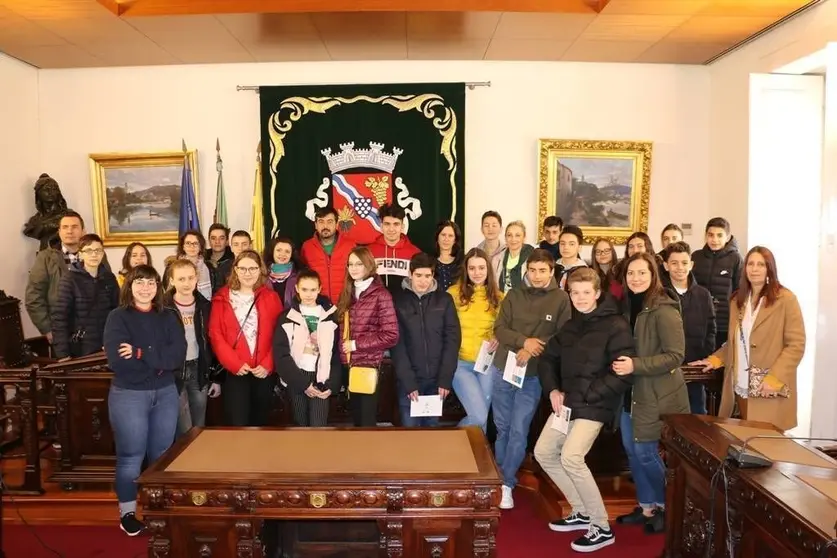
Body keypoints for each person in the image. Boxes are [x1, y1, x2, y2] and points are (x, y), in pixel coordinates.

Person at [535, 267, 634, 553]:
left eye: (585, 293)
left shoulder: (616, 325)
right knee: (543, 452)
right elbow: (547, 360)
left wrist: (590, 394)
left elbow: (622, 373)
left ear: (598, 293)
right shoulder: (570, 325)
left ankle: (601, 527)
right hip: (567, 404)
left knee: (572, 456)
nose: (580, 298)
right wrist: (553, 389)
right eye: (574, 293)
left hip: (595, 405)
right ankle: (581, 510)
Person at [103, 265, 185, 536]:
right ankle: (128, 512)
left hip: (165, 393)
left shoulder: (169, 316)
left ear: (159, 287)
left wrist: (139, 352)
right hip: (129, 394)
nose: (146, 288)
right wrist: (157, 359)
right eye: (140, 282)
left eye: (151, 283)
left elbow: (177, 358)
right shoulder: (118, 317)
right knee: (131, 456)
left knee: (162, 456)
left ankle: (157, 509)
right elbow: (118, 361)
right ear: (130, 285)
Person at [613, 252, 688, 534]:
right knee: (632, 452)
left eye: (642, 272)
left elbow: (675, 355)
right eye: (631, 273)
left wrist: (636, 364)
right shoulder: (624, 306)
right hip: (629, 391)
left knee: (645, 451)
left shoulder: (664, 308)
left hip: (656, 392)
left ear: (653, 274)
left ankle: (668, 505)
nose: (636, 278)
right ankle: (646, 506)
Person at [692, 246, 805, 432]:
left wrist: (775, 378)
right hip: (741, 385)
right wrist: (714, 360)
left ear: (770, 268)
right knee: (745, 448)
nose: (754, 269)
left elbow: (796, 345)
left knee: (770, 449)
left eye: (761, 264)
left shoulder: (786, 299)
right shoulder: (738, 300)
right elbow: (735, 342)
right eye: (750, 264)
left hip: (768, 387)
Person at [491, 249, 572, 509]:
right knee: (502, 428)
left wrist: (534, 347)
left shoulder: (561, 298)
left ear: (552, 272)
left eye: (543, 271)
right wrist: (522, 341)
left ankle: (506, 484)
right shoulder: (514, 295)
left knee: (519, 429)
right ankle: (501, 478)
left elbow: (562, 336)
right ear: (527, 270)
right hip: (505, 368)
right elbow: (500, 329)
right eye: (533, 270)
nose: (537, 276)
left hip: (534, 374)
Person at [208, 250, 283, 426]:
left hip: (263, 371)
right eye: (242, 269)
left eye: (252, 268)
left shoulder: (271, 297)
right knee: (237, 423)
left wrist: (268, 363)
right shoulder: (222, 297)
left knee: (261, 422)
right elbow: (216, 334)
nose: (247, 273)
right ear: (235, 269)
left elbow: (280, 334)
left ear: (260, 270)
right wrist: (233, 363)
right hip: (236, 370)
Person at [392, 253, 461, 427]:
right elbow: (397, 346)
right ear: (410, 274)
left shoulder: (445, 300)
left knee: (432, 433)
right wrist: (409, 382)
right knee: (410, 432)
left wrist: (445, 379)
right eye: (419, 276)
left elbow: (452, 341)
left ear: (433, 275)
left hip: (436, 382)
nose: (423, 281)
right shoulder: (398, 301)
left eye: (428, 276)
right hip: (410, 382)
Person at [337, 247, 399, 427]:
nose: (354, 268)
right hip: (348, 364)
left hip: (368, 366)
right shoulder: (348, 292)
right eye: (350, 264)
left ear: (369, 265)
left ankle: (369, 455)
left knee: (366, 422)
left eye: (359, 264)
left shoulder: (381, 295)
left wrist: (356, 345)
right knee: (355, 419)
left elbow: (391, 335)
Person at [274, 269, 341, 427]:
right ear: (296, 288)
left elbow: (336, 354)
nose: (309, 294)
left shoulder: (331, 316)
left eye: (313, 290)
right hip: (296, 376)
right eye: (304, 289)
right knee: (299, 425)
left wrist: (332, 385)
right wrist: (303, 384)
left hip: (321, 378)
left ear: (319, 289)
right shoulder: (286, 317)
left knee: (318, 426)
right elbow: (281, 355)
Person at [163, 259, 222, 437]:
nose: (187, 283)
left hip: (199, 369)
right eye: (181, 279)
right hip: (174, 371)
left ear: (197, 278)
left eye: (190, 278)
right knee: (184, 428)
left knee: (199, 425)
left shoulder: (206, 306)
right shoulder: (163, 308)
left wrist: (216, 377)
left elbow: (213, 342)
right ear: (172, 281)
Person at [449, 248, 504, 432]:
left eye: (481, 268)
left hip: (486, 364)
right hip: (460, 363)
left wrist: (499, 336)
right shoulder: (453, 294)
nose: (477, 272)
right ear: (466, 270)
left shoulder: (499, 297)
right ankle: (453, 444)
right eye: (472, 268)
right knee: (478, 415)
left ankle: (476, 459)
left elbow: (506, 327)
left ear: (488, 269)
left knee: (482, 417)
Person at [662, 242, 716, 414]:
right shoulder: (659, 295)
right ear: (666, 266)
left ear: (691, 264)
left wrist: (704, 357)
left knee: (697, 417)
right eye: (674, 263)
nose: (680, 268)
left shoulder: (703, 295)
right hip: (666, 371)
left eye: (684, 263)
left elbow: (711, 329)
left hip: (694, 369)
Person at [51, 234, 119, 360]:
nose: (94, 255)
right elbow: (59, 318)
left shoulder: (109, 279)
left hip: (107, 345)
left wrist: (115, 340)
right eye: (89, 251)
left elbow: (118, 312)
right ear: (80, 254)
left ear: (103, 254)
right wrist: (63, 353)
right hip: (81, 348)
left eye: (98, 250)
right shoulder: (69, 279)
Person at [691, 217, 745, 349]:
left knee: (720, 361)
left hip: (724, 322)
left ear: (727, 237)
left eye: (719, 235)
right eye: (710, 235)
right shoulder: (696, 257)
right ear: (705, 236)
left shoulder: (735, 258)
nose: (714, 239)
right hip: (699, 319)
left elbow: (740, 289)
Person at [300, 207, 356, 304]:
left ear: (337, 224)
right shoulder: (307, 247)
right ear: (315, 225)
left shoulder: (350, 246)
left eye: (329, 222)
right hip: (317, 306)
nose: (325, 226)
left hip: (345, 305)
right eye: (321, 222)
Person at [369, 203, 421, 297]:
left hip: (406, 307)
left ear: (402, 227)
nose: (391, 229)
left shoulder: (415, 253)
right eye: (387, 224)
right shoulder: (369, 252)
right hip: (377, 307)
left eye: (396, 224)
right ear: (381, 226)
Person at [168, 230, 213, 299]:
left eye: (195, 243)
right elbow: (169, 293)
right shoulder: (173, 266)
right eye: (188, 243)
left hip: (203, 306)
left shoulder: (210, 267)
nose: (192, 246)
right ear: (183, 247)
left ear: (200, 247)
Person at [495, 221, 535, 294]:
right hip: (502, 302)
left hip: (526, 302)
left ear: (524, 237)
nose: (513, 239)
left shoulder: (534, 257)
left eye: (517, 235)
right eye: (509, 235)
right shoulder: (497, 259)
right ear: (505, 237)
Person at [264, 236, 303, 308]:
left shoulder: (300, 276)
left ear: (292, 254)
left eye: (287, 251)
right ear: (272, 251)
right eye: (279, 250)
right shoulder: (262, 274)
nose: (282, 254)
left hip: (291, 317)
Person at [433, 220, 464, 292]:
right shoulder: (429, 262)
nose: (446, 239)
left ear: (455, 240)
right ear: (437, 237)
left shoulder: (463, 261)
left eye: (450, 236)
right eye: (443, 235)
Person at [554, 225, 588, 290]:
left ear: (579, 247)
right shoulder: (553, 267)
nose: (566, 247)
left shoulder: (585, 272)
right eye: (562, 243)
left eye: (571, 244)